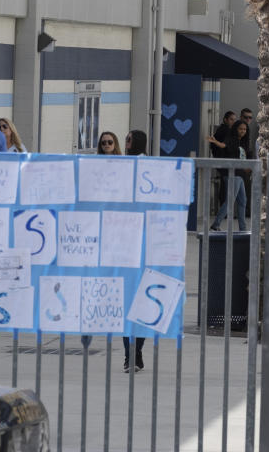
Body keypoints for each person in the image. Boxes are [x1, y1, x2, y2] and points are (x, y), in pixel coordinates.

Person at [122, 129, 148, 372]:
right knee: (125, 303)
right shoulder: (120, 166)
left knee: (139, 303)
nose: (125, 142)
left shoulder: (148, 168)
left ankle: (136, 351)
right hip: (122, 244)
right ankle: (130, 353)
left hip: (142, 245)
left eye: (128, 139)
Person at [207, 119, 250, 232]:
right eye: (241, 129)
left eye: (245, 129)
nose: (243, 131)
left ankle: (242, 228)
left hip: (240, 174)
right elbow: (224, 145)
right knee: (230, 200)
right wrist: (215, 142)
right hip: (232, 173)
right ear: (236, 129)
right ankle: (215, 225)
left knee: (242, 201)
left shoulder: (243, 142)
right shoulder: (231, 139)